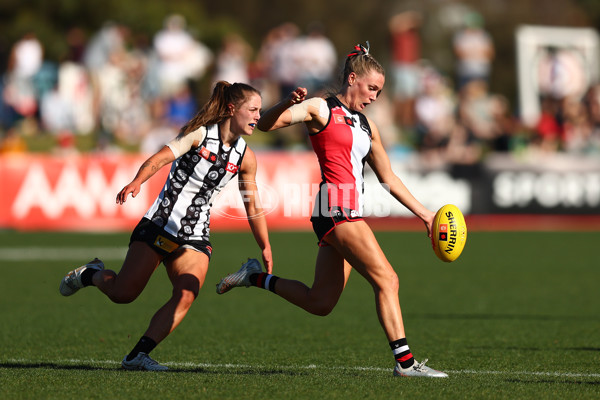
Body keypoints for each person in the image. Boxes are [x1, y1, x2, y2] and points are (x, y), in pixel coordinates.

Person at [216, 43, 448, 378]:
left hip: (346, 211)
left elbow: (388, 178)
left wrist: (425, 215)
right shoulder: (319, 108)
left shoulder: (368, 125)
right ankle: (406, 363)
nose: (375, 96)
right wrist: (287, 102)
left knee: (320, 303)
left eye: (380, 91)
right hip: (335, 209)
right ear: (352, 78)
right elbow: (265, 125)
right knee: (388, 279)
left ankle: (254, 277)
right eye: (372, 88)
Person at [59, 81, 272, 371]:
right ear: (233, 109)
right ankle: (91, 274)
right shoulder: (198, 134)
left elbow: (252, 204)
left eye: (260, 110)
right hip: (160, 225)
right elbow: (159, 158)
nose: (259, 116)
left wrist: (265, 245)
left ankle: (137, 356)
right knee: (124, 294)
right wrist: (137, 181)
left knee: (187, 293)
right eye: (254, 109)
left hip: (195, 236)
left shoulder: (246, 157)